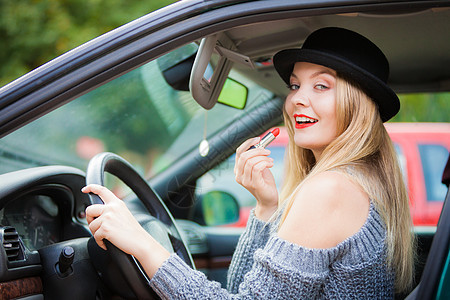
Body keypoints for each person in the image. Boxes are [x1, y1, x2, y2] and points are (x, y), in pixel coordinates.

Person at [83, 27, 415, 298]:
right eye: (296, 85)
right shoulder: (360, 180)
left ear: (357, 106)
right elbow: (244, 290)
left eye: (321, 85)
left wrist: (142, 243)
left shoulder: (332, 189)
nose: (298, 98)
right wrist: (267, 207)